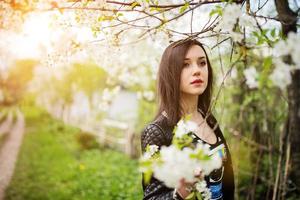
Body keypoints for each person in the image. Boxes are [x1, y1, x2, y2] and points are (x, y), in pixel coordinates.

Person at [140, 38, 234, 200]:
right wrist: (181, 193)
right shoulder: (158, 131)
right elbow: (152, 197)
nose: (197, 70)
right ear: (170, 72)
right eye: (185, 64)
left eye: (202, 63)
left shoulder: (208, 119)